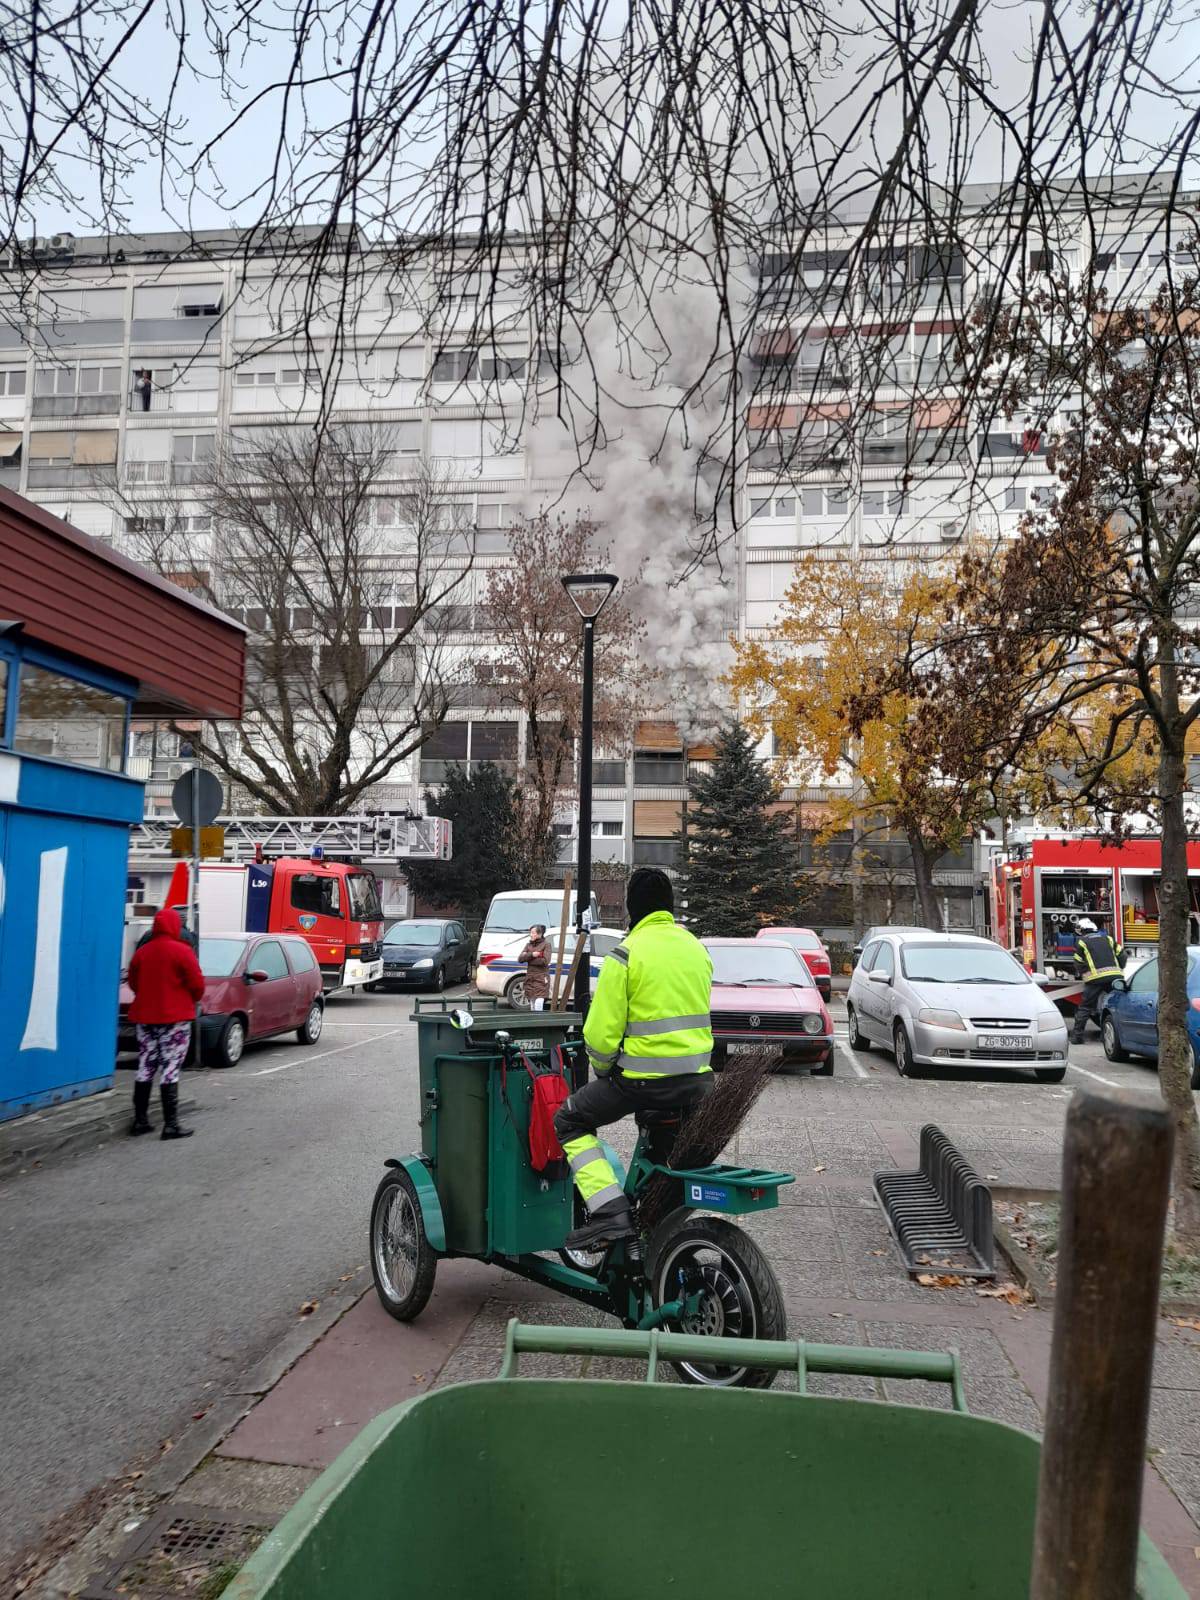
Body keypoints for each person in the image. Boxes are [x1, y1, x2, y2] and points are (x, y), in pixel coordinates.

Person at [554, 867, 713, 1249]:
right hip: (698, 1084)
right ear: (669, 907)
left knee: (569, 1119)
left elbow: (600, 1036)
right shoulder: (696, 949)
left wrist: (603, 1069)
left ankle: (610, 1212)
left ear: (631, 910)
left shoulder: (625, 955)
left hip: (644, 1084)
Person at [126, 907, 205, 1139]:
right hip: (175, 1018)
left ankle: (140, 1121)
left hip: (144, 1017)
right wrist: (190, 998)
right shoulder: (183, 951)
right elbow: (197, 984)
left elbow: (133, 983)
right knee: (170, 1069)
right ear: (174, 926)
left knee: (145, 1066)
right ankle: (170, 1125)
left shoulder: (142, 952)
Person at [1069, 918, 1124, 1044]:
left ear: (1083, 930)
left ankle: (1077, 1037)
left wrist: (1085, 974)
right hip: (1114, 978)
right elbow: (1122, 955)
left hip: (1095, 979)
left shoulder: (1082, 942)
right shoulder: (1109, 939)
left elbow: (1078, 962)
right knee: (1117, 1006)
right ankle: (1118, 1037)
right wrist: (1119, 969)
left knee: (1085, 1007)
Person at [518, 923, 551, 1011]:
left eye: (533, 933)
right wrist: (532, 955)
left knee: (539, 1001)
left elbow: (545, 961)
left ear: (539, 934)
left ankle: (539, 1022)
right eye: (530, 932)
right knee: (532, 1001)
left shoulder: (546, 944)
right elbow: (520, 959)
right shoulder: (528, 945)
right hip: (530, 977)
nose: (531, 935)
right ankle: (533, 1023)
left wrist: (528, 958)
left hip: (541, 977)